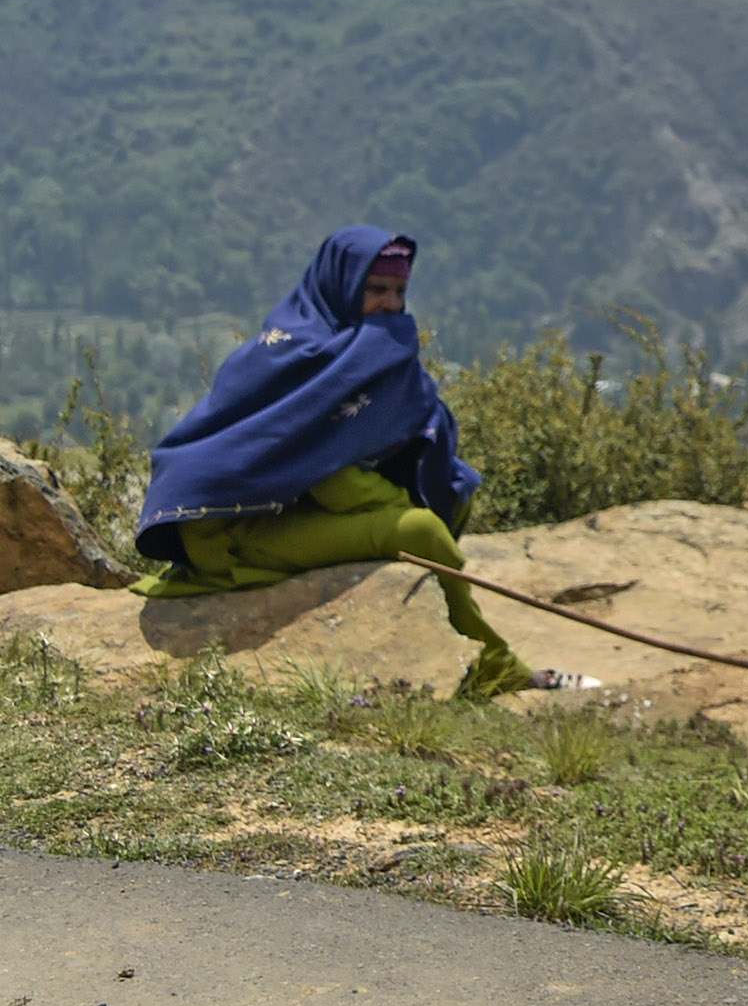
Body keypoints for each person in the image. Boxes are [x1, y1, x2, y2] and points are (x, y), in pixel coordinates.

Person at [133, 226, 533, 701]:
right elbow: (330, 477)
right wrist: (397, 503)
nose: (389, 303)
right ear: (343, 285)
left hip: (283, 507)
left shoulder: (350, 346)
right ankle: (495, 667)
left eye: (399, 291)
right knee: (419, 531)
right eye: (375, 289)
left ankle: (460, 650)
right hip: (233, 531)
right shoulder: (300, 350)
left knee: (454, 484)